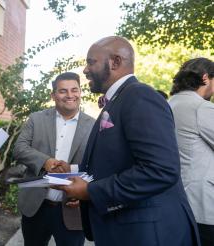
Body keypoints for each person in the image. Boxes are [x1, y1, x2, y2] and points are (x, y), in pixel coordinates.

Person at [58, 36, 200, 245]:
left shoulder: (140, 96)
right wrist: (73, 172)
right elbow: (116, 160)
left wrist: (90, 191)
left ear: (115, 62)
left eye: (91, 62)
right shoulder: (118, 99)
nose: (86, 70)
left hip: (148, 234)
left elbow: (160, 169)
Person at [13, 72, 95, 246]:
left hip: (73, 208)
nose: (70, 95)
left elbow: (97, 164)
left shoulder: (93, 125)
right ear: (53, 95)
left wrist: (85, 193)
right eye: (63, 91)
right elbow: (19, 148)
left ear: (80, 92)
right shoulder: (37, 119)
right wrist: (45, 161)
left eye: (74, 90)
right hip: (37, 206)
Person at [168, 57, 214, 246]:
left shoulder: (169, 104)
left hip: (174, 204)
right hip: (203, 206)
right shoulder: (201, 107)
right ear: (205, 78)